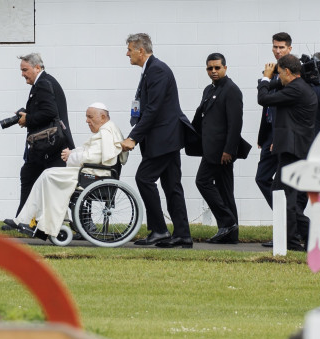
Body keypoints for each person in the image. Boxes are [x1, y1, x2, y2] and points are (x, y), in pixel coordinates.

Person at [121, 33, 196, 249]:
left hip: (164, 138)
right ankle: (182, 235)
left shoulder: (157, 70)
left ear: (141, 51)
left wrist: (133, 137)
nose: (127, 53)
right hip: (166, 139)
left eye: (130, 49)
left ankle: (159, 230)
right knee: (172, 186)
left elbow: (153, 109)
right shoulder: (150, 71)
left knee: (144, 178)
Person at [16, 104, 124, 239]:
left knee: (48, 176)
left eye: (90, 117)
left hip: (93, 176)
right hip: (91, 173)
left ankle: (41, 224)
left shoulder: (106, 133)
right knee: (48, 175)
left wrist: (70, 156)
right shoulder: (107, 130)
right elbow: (90, 151)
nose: (86, 120)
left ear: (102, 117)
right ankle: (32, 221)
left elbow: (92, 157)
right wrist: (72, 152)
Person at [4, 53, 75, 230]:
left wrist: (28, 119)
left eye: (25, 70)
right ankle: (22, 219)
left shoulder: (43, 83)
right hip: (51, 145)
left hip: (51, 146)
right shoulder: (45, 82)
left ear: (37, 67)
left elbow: (50, 112)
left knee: (33, 177)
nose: (22, 74)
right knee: (30, 175)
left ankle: (22, 220)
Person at [257, 54, 317, 252]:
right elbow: (276, 88)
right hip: (291, 149)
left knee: (284, 195)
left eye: (281, 73)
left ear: (289, 72)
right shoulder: (296, 86)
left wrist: (266, 78)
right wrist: (274, 75)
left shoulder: (296, 89)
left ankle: (306, 232)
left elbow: (263, 98)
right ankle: (294, 237)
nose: (278, 77)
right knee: (281, 193)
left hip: (293, 150)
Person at [192, 53, 246, 245]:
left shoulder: (231, 90)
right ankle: (230, 234)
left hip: (222, 151)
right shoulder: (209, 89)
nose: (213, 71)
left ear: (225, 67)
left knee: (202, 181)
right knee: (225, 191)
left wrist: (229, 150)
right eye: (210, 68)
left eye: (217, 68)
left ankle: (228, 222)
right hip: (210, 148)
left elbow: (235, 123)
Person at [255, 32, 293, 209]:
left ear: (289, 48)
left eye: (281, 47)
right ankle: (285, 221)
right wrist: (263, 136)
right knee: (262, 178)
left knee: (284, 184)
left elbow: (286, 109)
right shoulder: (272, 72)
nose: (277, 51)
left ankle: (291, 225)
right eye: (275, 47)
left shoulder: (292, 72)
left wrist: (279, 137)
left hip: (283, 134)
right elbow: (267, 105)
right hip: (270, 133)